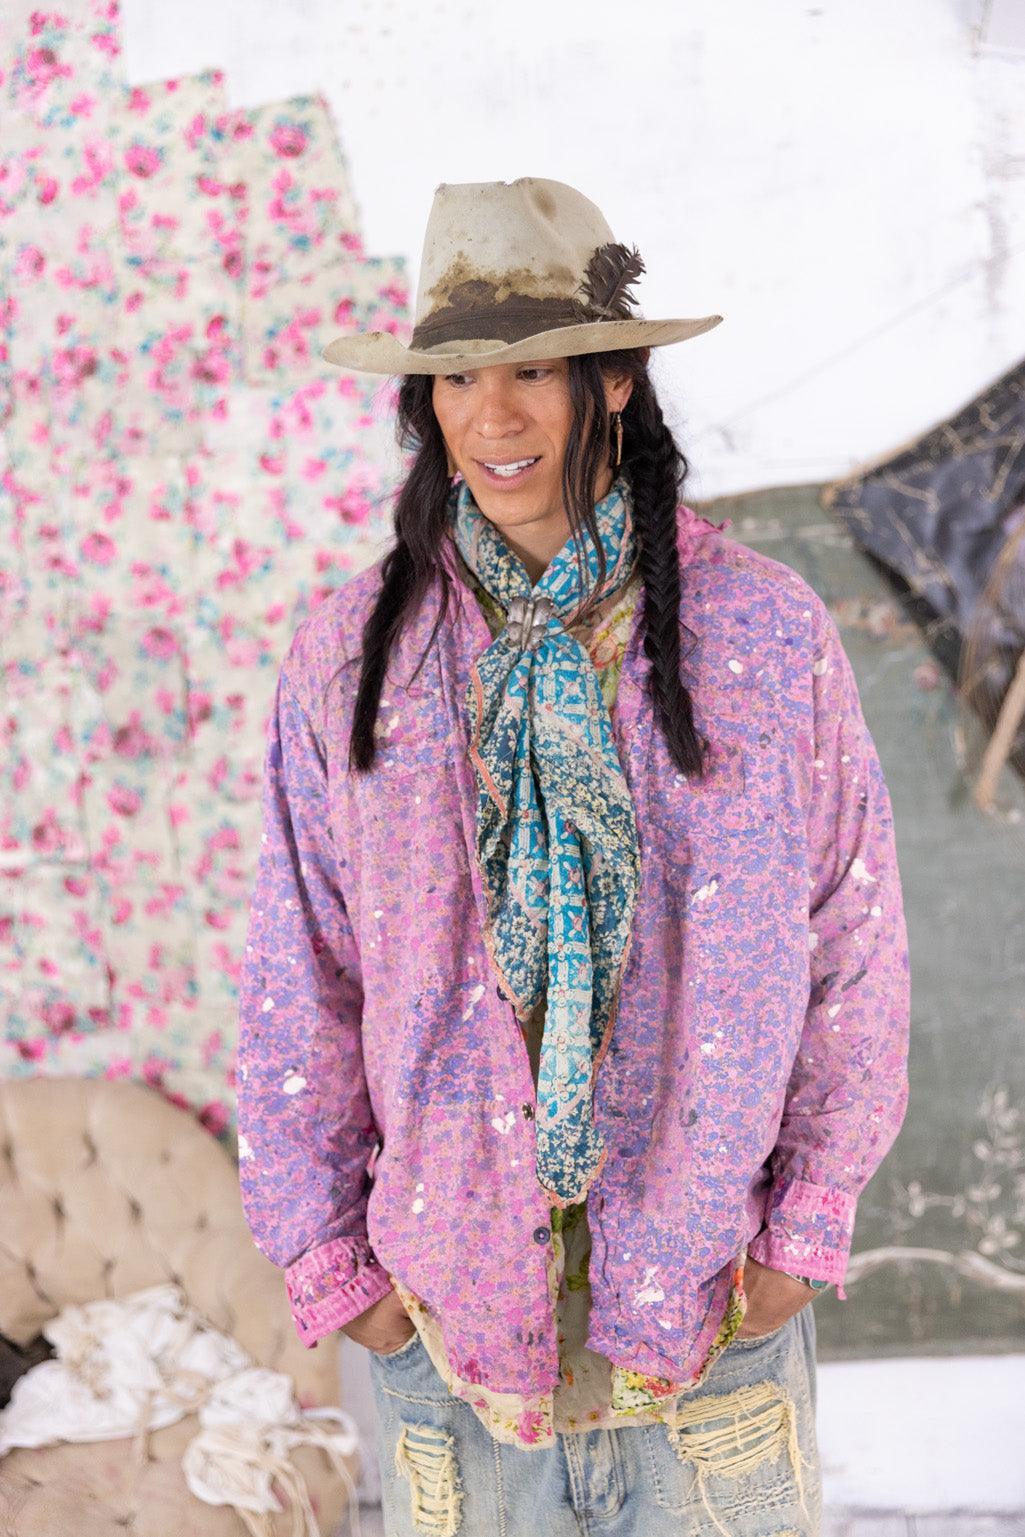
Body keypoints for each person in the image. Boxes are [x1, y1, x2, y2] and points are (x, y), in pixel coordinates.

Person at [236, 177, 911, 1537]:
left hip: (707, 1305)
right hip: (449, 1325)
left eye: (533, 368)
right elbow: (294, 962)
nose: (492, 417)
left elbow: (852, 932)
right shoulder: (347, 656)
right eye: (457, 379)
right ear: (422, 401)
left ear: (609, 381)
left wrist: (806, 1219)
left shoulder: (761, 633)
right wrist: (327, 1261)